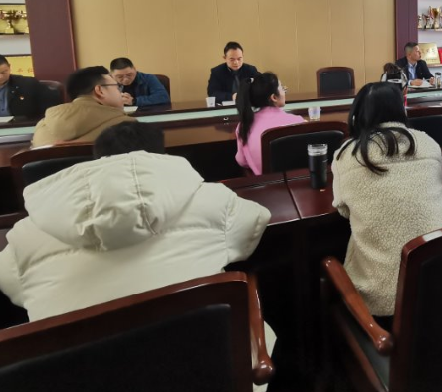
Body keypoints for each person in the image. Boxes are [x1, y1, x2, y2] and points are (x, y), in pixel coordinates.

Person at [0, 121, 272, 323]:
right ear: (160, 155)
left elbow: (12, 284)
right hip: (209, 359)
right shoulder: (215, 200)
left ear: (98, 158)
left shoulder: (25, 235)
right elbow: (256, 221)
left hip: (76, 371)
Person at [332, 82, 442, 317]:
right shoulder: (429, 144)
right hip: (440, 285)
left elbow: (343, 211)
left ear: (358, 115)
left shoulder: (347, 155)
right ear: (401, 110)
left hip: (380, 301)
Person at [32, 66, 134, 147]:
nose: (120, 93)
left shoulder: (42, 127)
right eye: (117, 87)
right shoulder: (127, 126)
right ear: (99, 91)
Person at [235, 72, 304, 175]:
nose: (284, 92)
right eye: (282, 88)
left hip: (263, 183)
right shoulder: (297, 122)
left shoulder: (243, 126)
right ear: (274, 97)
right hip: (294, 182)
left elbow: (242, 161)